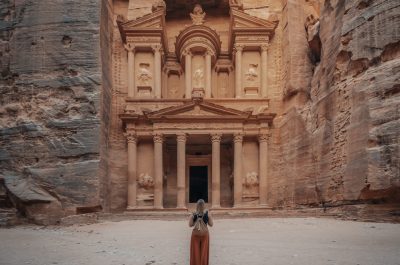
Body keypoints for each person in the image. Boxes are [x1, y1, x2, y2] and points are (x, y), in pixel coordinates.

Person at [189, 199, 213, 265]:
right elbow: (211, 224)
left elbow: (190, 225)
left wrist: (195, 221)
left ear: (197, 205)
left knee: (195, 252)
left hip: (195, 234)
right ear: (204, 205)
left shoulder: (193, 214)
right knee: (204, 252)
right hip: (204, 234)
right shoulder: (207, 214)